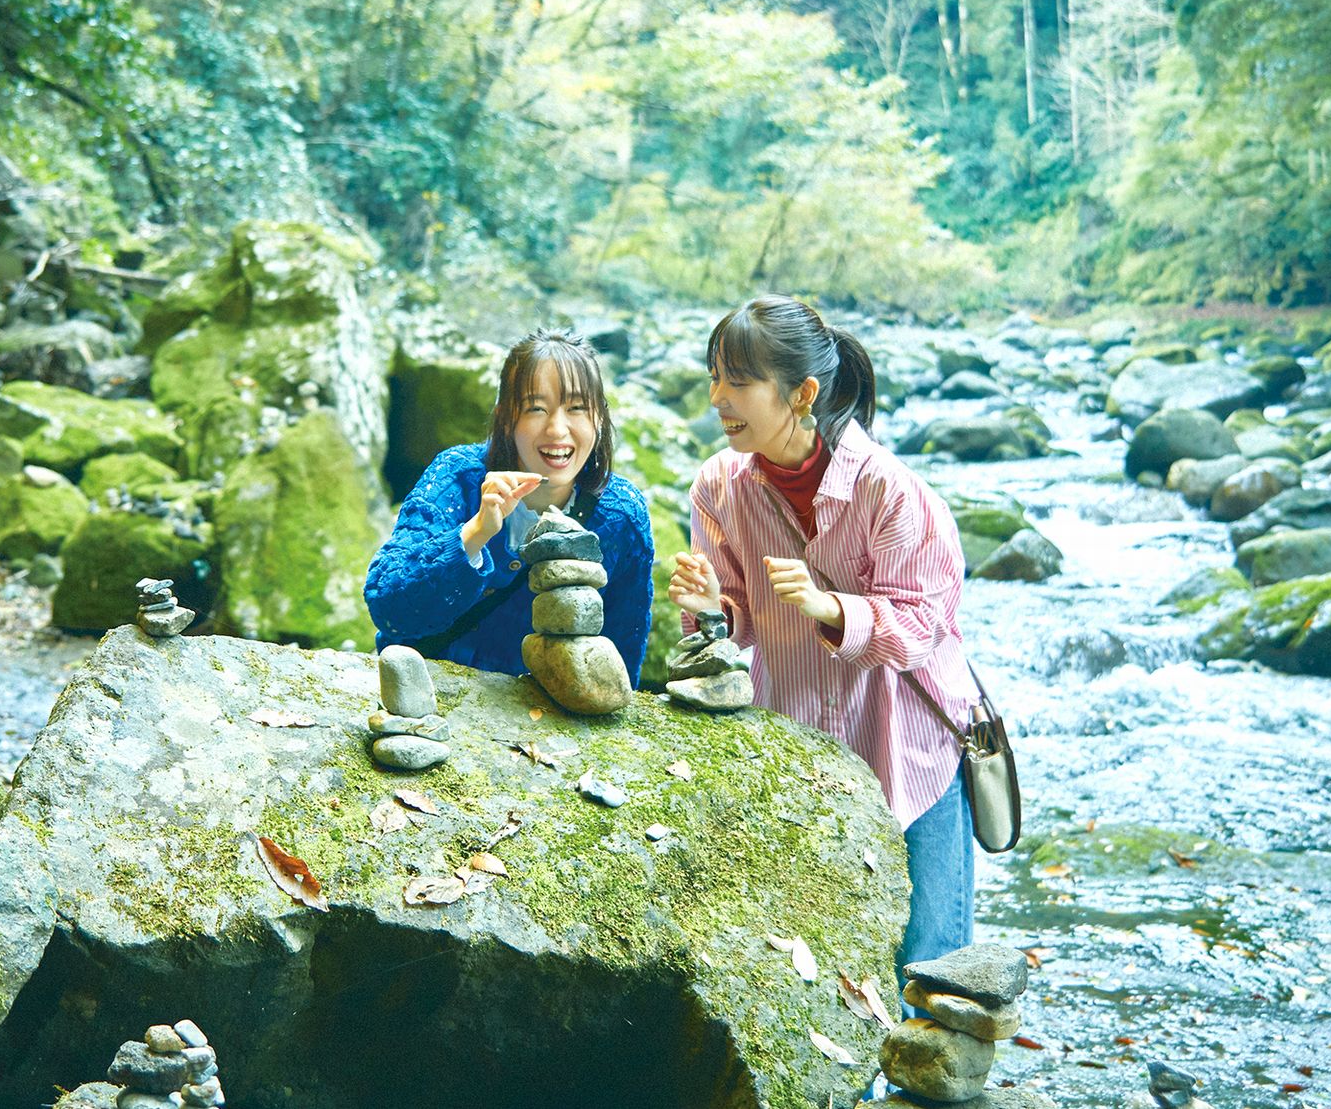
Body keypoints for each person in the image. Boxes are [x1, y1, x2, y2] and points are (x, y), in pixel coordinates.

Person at [667, 294, 979, 982]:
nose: (717, 396)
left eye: (738, 380)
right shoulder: (719, 485)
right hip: (801, 750)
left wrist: (829, 606)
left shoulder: (893, 493)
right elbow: (733, 621)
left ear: (803, 393)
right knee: (820, 963)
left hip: (911, 751)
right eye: (715, 375)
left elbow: (921, 628)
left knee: (931, 973)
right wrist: (707, 608)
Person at [366, 327, 653, 684]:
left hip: (543, 719)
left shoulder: (622, 515)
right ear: (506, 417)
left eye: (577, 408)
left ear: (599, 418)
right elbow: (388, 607)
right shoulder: (459, 477)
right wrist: (474, 533)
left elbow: (622, 657)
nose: (558, 430)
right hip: (425, 699)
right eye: (536, 408)